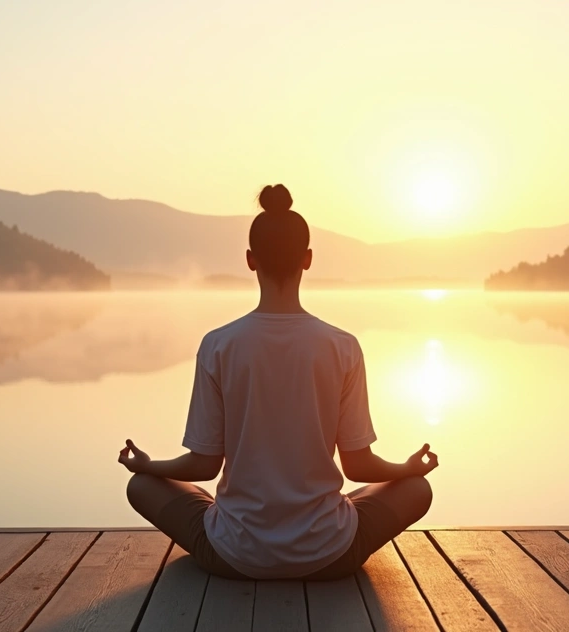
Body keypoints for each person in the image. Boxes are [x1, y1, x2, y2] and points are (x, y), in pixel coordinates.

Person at [117, 184, 438, 580]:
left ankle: (237, 529)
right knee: (417, 490)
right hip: (330, 554)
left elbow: (203, 464)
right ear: (307, 260)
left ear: (251, 261)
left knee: (142, 486)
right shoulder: (342, 347)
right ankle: (319, 528)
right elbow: (359, 465)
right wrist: (405, 469)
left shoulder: (219, 345)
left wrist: (151, 465)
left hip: (234, 554)